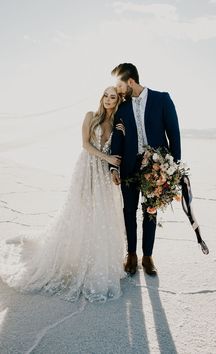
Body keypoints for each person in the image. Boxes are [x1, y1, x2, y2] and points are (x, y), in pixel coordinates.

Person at [0, 86, 126, 303]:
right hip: (87, 168)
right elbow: (85, 145)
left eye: (112, 97)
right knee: (80, 210)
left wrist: (114, 166)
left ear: (117, 101)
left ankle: (96, 261)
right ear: (101, 97)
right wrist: (106, 159)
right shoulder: (91, 116)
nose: (108, 99)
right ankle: (73, 259)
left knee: (101, 215)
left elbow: (118, 148)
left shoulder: (117, 123)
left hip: (104, 175)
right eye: (105, 95)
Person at [110, 63, 181, 276]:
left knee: (150, 211)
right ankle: (131, 254)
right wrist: (113, 167)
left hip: (156, 168)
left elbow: (174, 134)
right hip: (129, 168)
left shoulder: (162, 99)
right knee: (129, 211)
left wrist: (173, 170)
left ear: (130, 81)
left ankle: (147, 256)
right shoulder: (121, 108)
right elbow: (117, 140)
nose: (119, 90)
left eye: (120, 85)